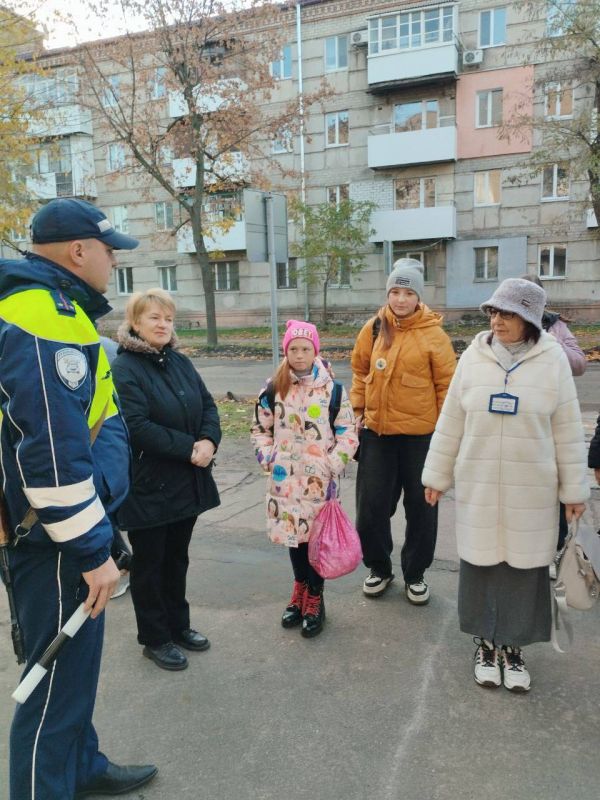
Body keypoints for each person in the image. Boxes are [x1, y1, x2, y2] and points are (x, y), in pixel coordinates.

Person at [0, 198, 157, 799]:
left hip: (73, 525)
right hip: (57, 538)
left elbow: (98, 412)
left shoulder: (61, 309)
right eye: (109, 248)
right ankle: (44, 787)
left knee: (74, 671)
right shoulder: (41, 315)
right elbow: (52, 454)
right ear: (77, 251)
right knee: (50, 680)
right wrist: (94, 550)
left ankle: (80, 764)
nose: (114, 259)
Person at [422, 278, 589, 693]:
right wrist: (437, 476)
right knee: (480, 566)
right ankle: (485, 644)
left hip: (531, 488)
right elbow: (451, 423)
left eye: (507, 314)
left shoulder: (552, 360)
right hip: (479, 483)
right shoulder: (473, 358)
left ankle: (513, 649)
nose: (496, 321)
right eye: (494, 313)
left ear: (530, 320)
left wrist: (574, 492)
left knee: (522, 570)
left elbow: (567, 431)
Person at [111, 288, 221, 671]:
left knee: (177, 559)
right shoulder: (125, 368)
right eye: (154, 317)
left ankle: (179, 626)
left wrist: (209, 440)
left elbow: (207, 404)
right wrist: (190, 447)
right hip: (149, 485)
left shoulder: (178, 362)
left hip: (186, 481)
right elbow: (136, 426)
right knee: (151, 565)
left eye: (168, 318)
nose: (163, 324)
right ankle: (155, 638)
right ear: (136, 323)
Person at [350, 259, 456, 604]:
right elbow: (359, 370)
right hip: (377, 436)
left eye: (408, 292)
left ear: (418, 297)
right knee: (370, 510)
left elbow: (448, 388)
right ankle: (379, 568)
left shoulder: (434, 335)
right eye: (395, 291)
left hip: (421, 439)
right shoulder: (375, 328)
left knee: (421, 511)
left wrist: (445, 437)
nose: (400, 299)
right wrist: (357, 412)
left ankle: (415, 574)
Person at [251, 320, 358, 638]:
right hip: (285, 484)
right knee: (294, 539)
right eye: (293, 349)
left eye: (305, 349)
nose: (299, 355)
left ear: (315, 351)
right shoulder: (273, 388)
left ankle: (315, 597)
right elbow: (260, 429)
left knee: (316, 539)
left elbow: (348, 432)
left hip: (319, 484)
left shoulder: (332, 390)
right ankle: (299, 590)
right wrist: (268, 456)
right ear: (285, 351)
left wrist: (332, 463)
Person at [521, 274, 587, 572]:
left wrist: (549, 346)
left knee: (552, 493)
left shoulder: (556, 327)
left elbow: (580, 363)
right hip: (518, 424)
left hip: (549, 421)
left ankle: (554, 552)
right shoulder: (505, 325)